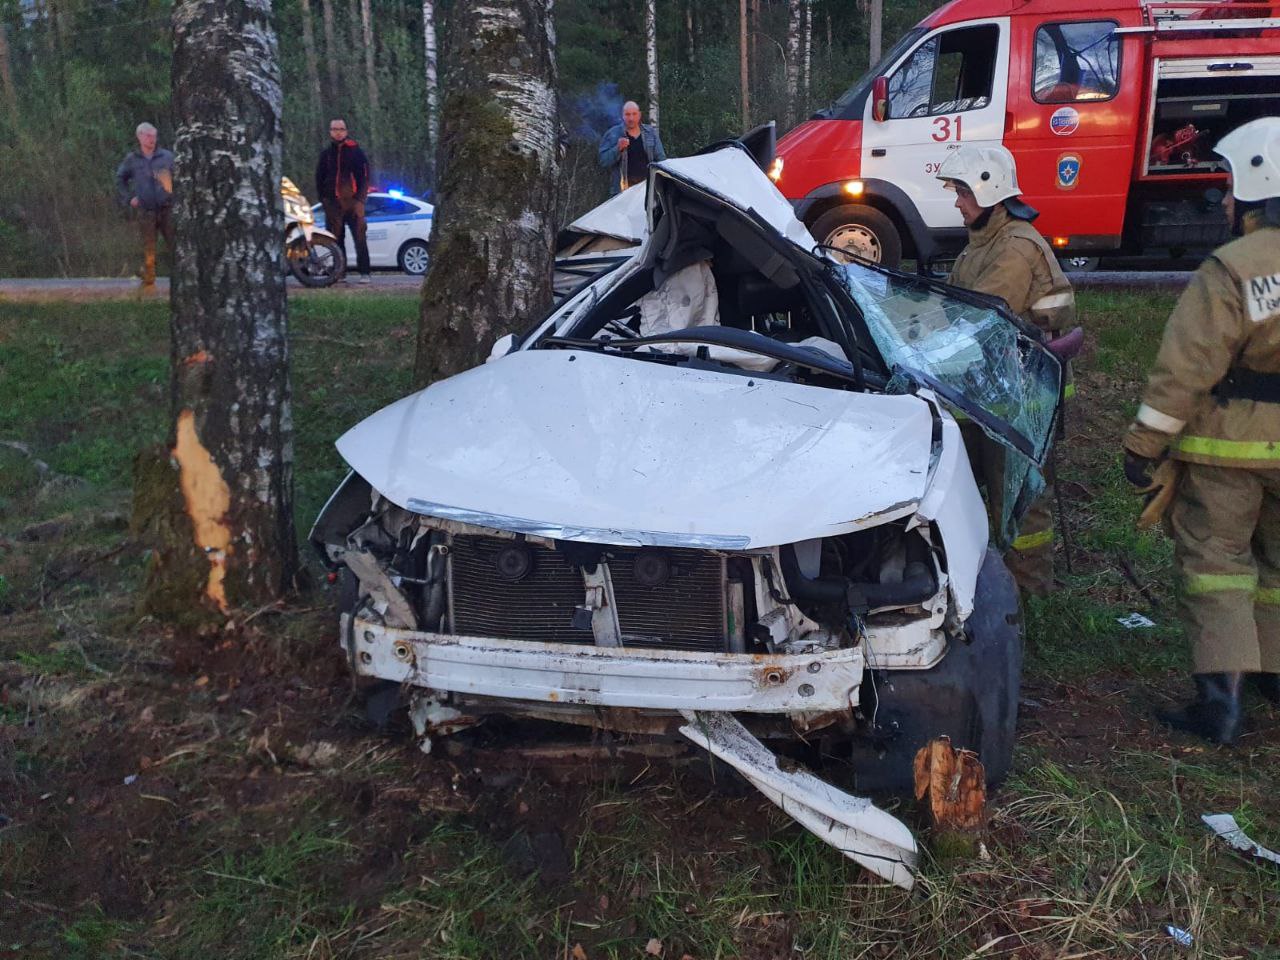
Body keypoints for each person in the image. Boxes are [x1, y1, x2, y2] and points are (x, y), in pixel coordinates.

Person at [1122, 117, 1280, 745]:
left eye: (1229, 186)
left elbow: (1185, 370)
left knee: (1217, 564)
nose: (1223, 199)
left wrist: (1142, 446)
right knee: (1277, 563)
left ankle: (1221, 705)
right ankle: (1272, 673)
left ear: (1255, 184)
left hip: (1229, 450)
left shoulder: (1232, 269)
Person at [935, 145, 1077, 596]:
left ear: (988, 190)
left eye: (962, 191)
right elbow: (951, 309)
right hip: (995, 388)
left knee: (1020, 500)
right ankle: (989, 584)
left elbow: (982, 320)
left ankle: (1030, 599)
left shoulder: (1016, 247)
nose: (957, 201)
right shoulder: (980, 245)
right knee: (977, 486)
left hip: (1027, 396)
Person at [115, 122, 175, 290]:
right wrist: (129, 198)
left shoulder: (167, 157)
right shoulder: (132, 159)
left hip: (167, 208)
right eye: (148, 136)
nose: (152, 140)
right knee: (148, 246)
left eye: (154, 136)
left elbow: (180, 177)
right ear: (140, 137)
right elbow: (120, 179)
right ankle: (149, 280)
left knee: (175, 244)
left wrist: (174, 194)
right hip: (146, 209)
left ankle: (180, 277)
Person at [315, 118, 371, 283]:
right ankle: (340, 273)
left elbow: (365, 178)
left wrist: (360, 201)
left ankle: (365, 273)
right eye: (334, 129)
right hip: (333, 205)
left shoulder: (356, 152)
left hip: (353, 204)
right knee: (336, 240)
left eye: (341, 129)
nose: (338, 132)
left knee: (359, 238)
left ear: (346, 131)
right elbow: (319, 178)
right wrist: (324, 200)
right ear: (330, 132)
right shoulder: (326, 154)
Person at [597, 101, 666, 196]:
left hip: (649, 191)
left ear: (639, 115)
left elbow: (662, 160)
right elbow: (603, 161)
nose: (631, 118)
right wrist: (618, 148)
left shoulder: (650, 133)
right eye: (628, 114)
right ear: (623, 116)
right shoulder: (612, 134)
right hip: (622, 193)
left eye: (634, 114)